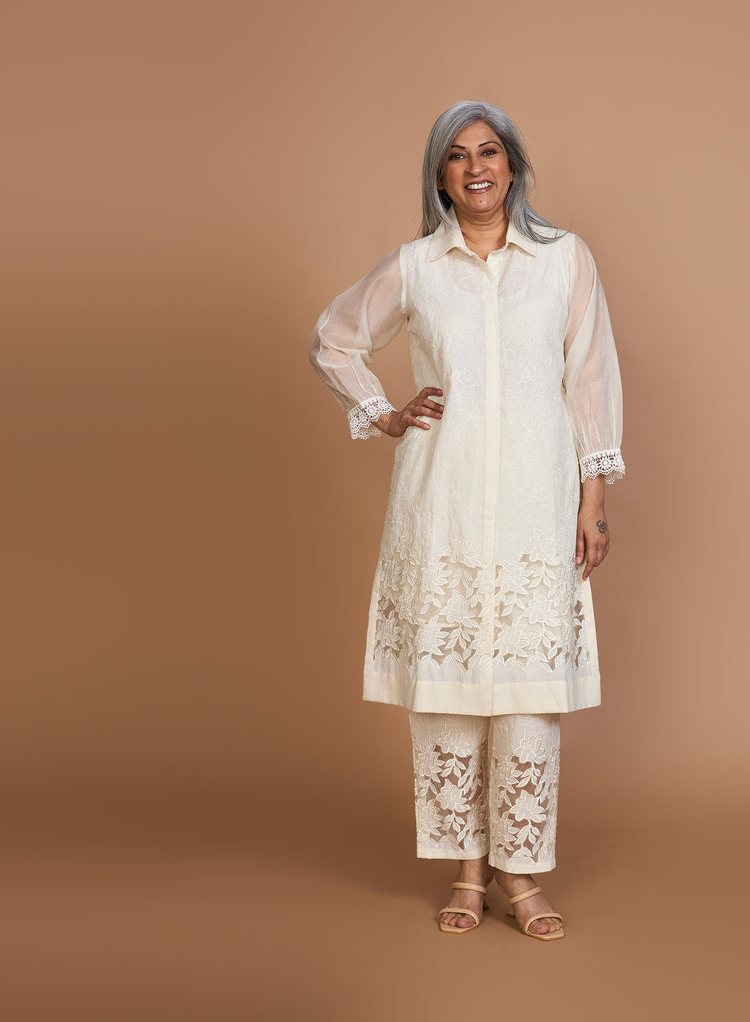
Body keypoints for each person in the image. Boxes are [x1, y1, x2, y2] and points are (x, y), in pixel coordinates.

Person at [308, 100, 625, 941]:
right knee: (447, 691)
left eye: (489, 151)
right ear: (440, 178)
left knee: (526, 693)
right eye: (457, 156)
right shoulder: (416, 267)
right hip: (442, 500)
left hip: (534, 502)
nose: (476, 167)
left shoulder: (564, 261)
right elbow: (332, 339)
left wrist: (594, 500)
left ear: (512, 165)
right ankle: (466, 871)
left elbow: (591, 377)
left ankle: (520, 872)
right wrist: (383, 413)